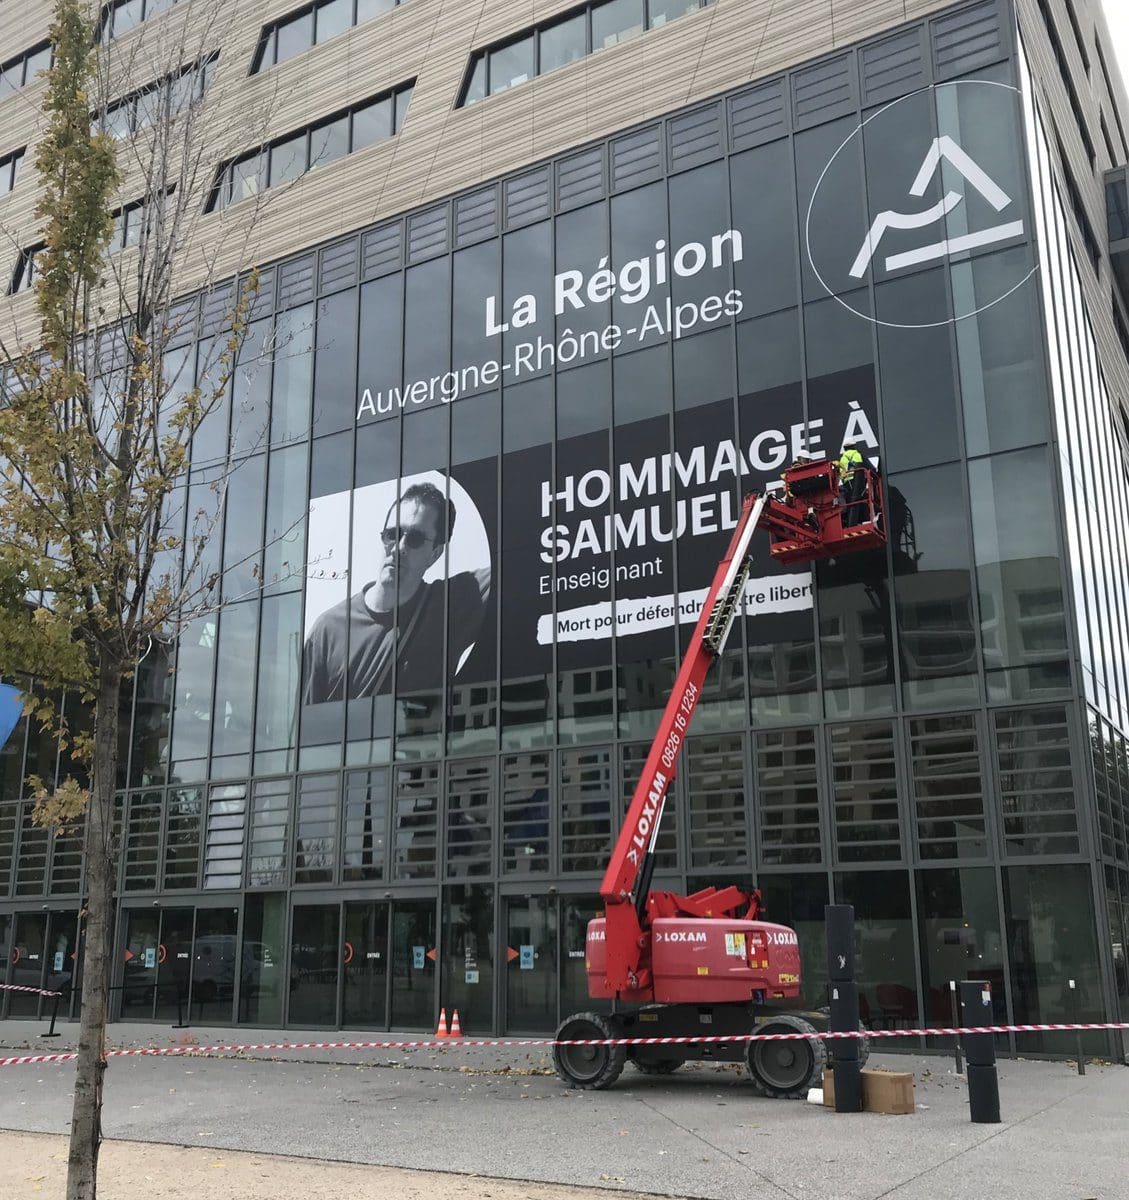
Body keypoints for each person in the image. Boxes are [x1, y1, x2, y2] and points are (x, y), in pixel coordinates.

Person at [302, 481, 487, 703]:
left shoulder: (451, 606)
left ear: (435, 554)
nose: (399, 547)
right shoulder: (327, 630)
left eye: (415, 539)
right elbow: (306, 727)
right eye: (392, 534)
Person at [838, 445, 866, 527]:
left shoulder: (842, 458)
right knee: (857, 501)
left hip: (846, 483)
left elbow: (842, 474)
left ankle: (851, 523)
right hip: (855, 481)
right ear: (854, 446)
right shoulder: (856, 454)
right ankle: (858, 522)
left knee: (850, 503)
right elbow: (859, 468)